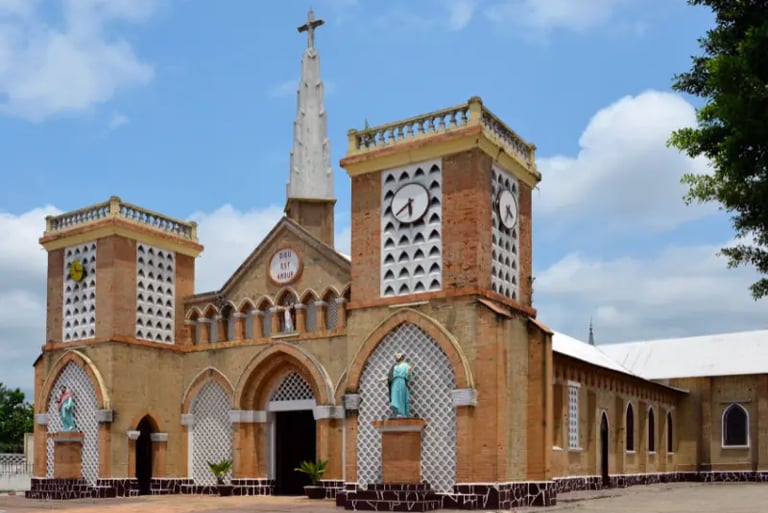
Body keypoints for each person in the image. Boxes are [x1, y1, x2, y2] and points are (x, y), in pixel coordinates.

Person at [388, 352, 413, 417]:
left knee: (401, 396)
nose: (396, 357)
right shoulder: (395, 366)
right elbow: (390, 376)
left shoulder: (405, 365)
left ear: (401, 357)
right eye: (396, 356)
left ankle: (402, 413)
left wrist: (409, 371)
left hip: (401, 382)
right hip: (395, 383)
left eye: (398, 355)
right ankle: (397, 412)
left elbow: (408, 377)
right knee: (395, 397)